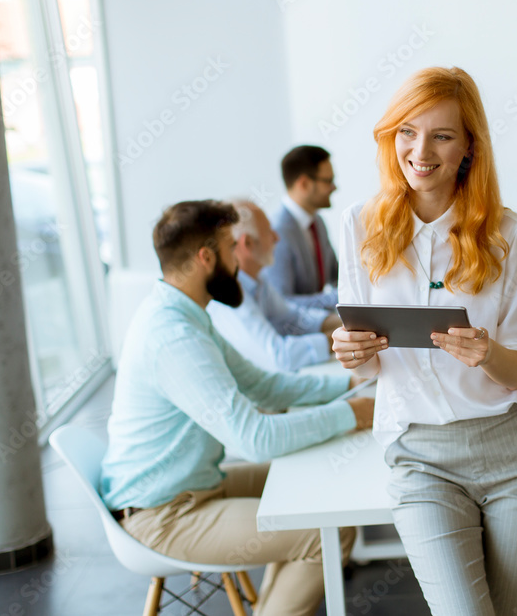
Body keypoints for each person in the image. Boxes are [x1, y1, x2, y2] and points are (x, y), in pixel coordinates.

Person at [331, 67, 517, 616]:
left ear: (468, 148)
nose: (420, 150)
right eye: (407, 131)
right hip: (421, 457)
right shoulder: (360, 225)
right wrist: (351, 355)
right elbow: (364, 371)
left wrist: (487, 353)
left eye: (442, 135)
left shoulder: (507, 232)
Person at [100, 200, 373, 616]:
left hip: (195, 484)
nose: (238, 261)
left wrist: (348, 384)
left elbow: (263, 385)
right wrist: (352, 415)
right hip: (164, 514)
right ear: (205, 258)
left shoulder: (184, 313)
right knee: (325, 534)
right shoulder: (173, 337)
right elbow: (255, 438)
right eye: (231, 248)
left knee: (304, 479)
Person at [208, 199, 342, 371]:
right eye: (268, 231)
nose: (276, 238)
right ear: (247, 243)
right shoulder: (230, 295)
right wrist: (340, 338)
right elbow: (279, 357)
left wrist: (346, 324)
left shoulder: (258, 280)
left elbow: (293, 318)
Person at [264, 145, 339, 310]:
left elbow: (337, 274)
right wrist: (337, 298)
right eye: (328, 181)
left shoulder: (317, 222)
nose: (335, 187)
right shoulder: (277, 231)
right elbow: (283, 302)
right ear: (304, 184)